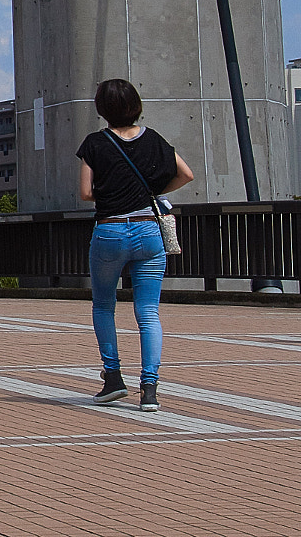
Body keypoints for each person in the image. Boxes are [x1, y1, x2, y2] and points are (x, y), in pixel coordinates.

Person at [78, 78, 193, 411]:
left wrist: (112, 193)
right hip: (148, 231)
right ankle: (150, 388)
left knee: (104, 305)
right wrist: (151, 193)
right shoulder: (153, 138)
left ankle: (113, 379)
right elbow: (186, 174)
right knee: (148, 313)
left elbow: (86, 193)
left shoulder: (94, 143)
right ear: (135, 104)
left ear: (102, 109)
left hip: (110, 231)